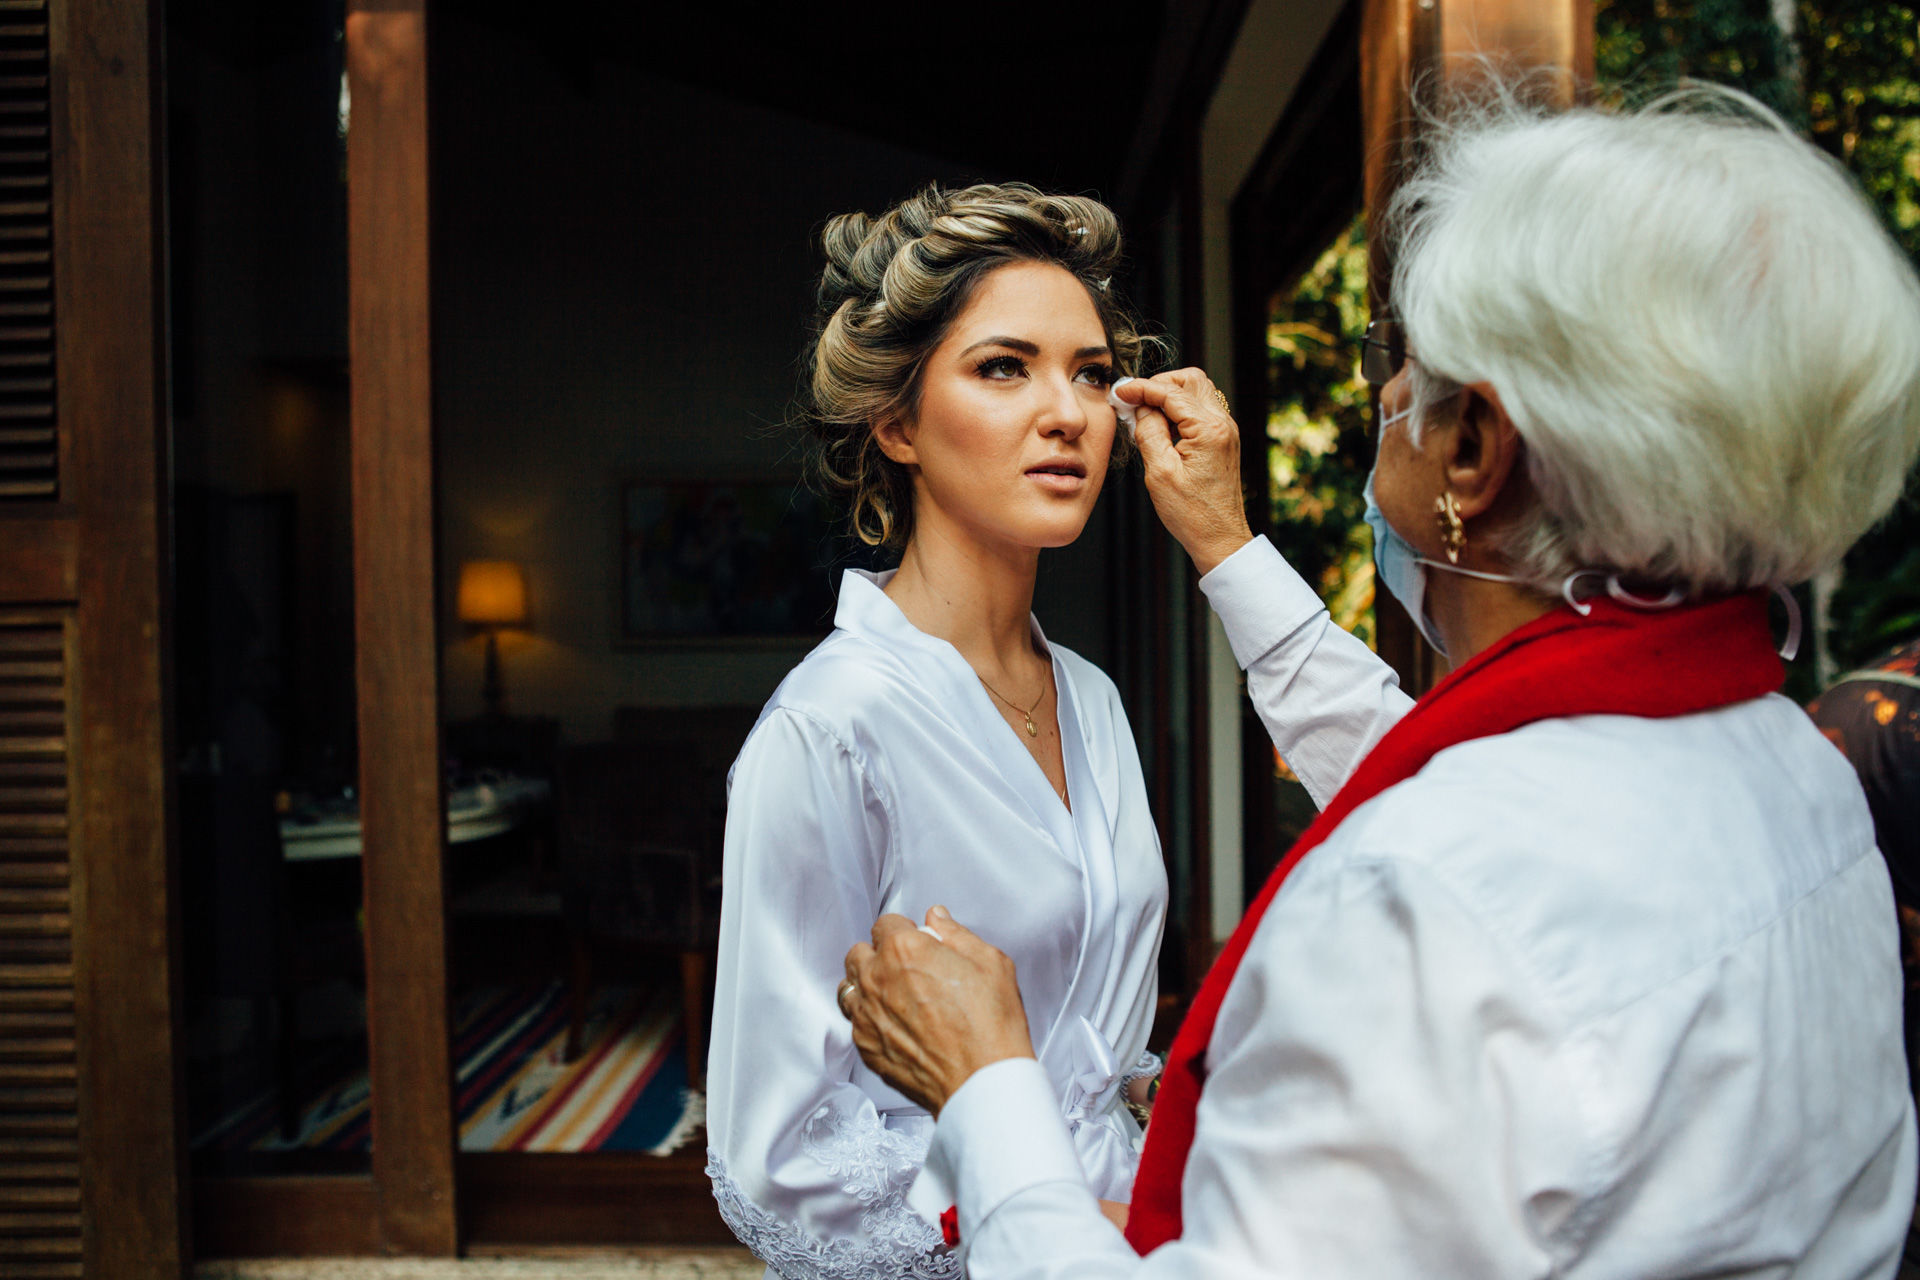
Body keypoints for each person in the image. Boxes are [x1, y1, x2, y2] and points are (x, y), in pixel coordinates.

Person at [839, 86, 1920, 1279]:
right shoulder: (1793, 769)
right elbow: (1458, 782)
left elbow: (1461, 859)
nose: (1386, 396)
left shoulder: (1417, 903)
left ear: (1474, 447)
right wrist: (1228, 547)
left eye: (1399, 363)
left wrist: (992, 1094)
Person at [706, 184, 1169, 1280]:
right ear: (897, 422)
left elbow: (1093, 1031)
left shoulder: (1092, 698)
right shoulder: (828, 732)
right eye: (1005, 366)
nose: (1068, 411)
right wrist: (1024, 1210)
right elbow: (777, 1153)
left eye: (1092, 372)